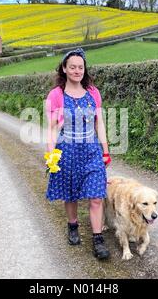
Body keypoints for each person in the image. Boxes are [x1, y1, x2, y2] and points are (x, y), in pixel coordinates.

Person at [45, 48, 112, 260]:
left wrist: (106, 150)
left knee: (96, 197)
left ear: (84, 69)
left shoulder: (93, 92)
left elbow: (99, 122)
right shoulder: (56, 95)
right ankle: (73, 225)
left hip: (91, 150)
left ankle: (98, 239)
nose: (77, 70)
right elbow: (53, 128)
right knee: (71, 193)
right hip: (67, 151)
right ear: (64, 69)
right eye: (72, 67)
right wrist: (51, 155)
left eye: (80, 67)